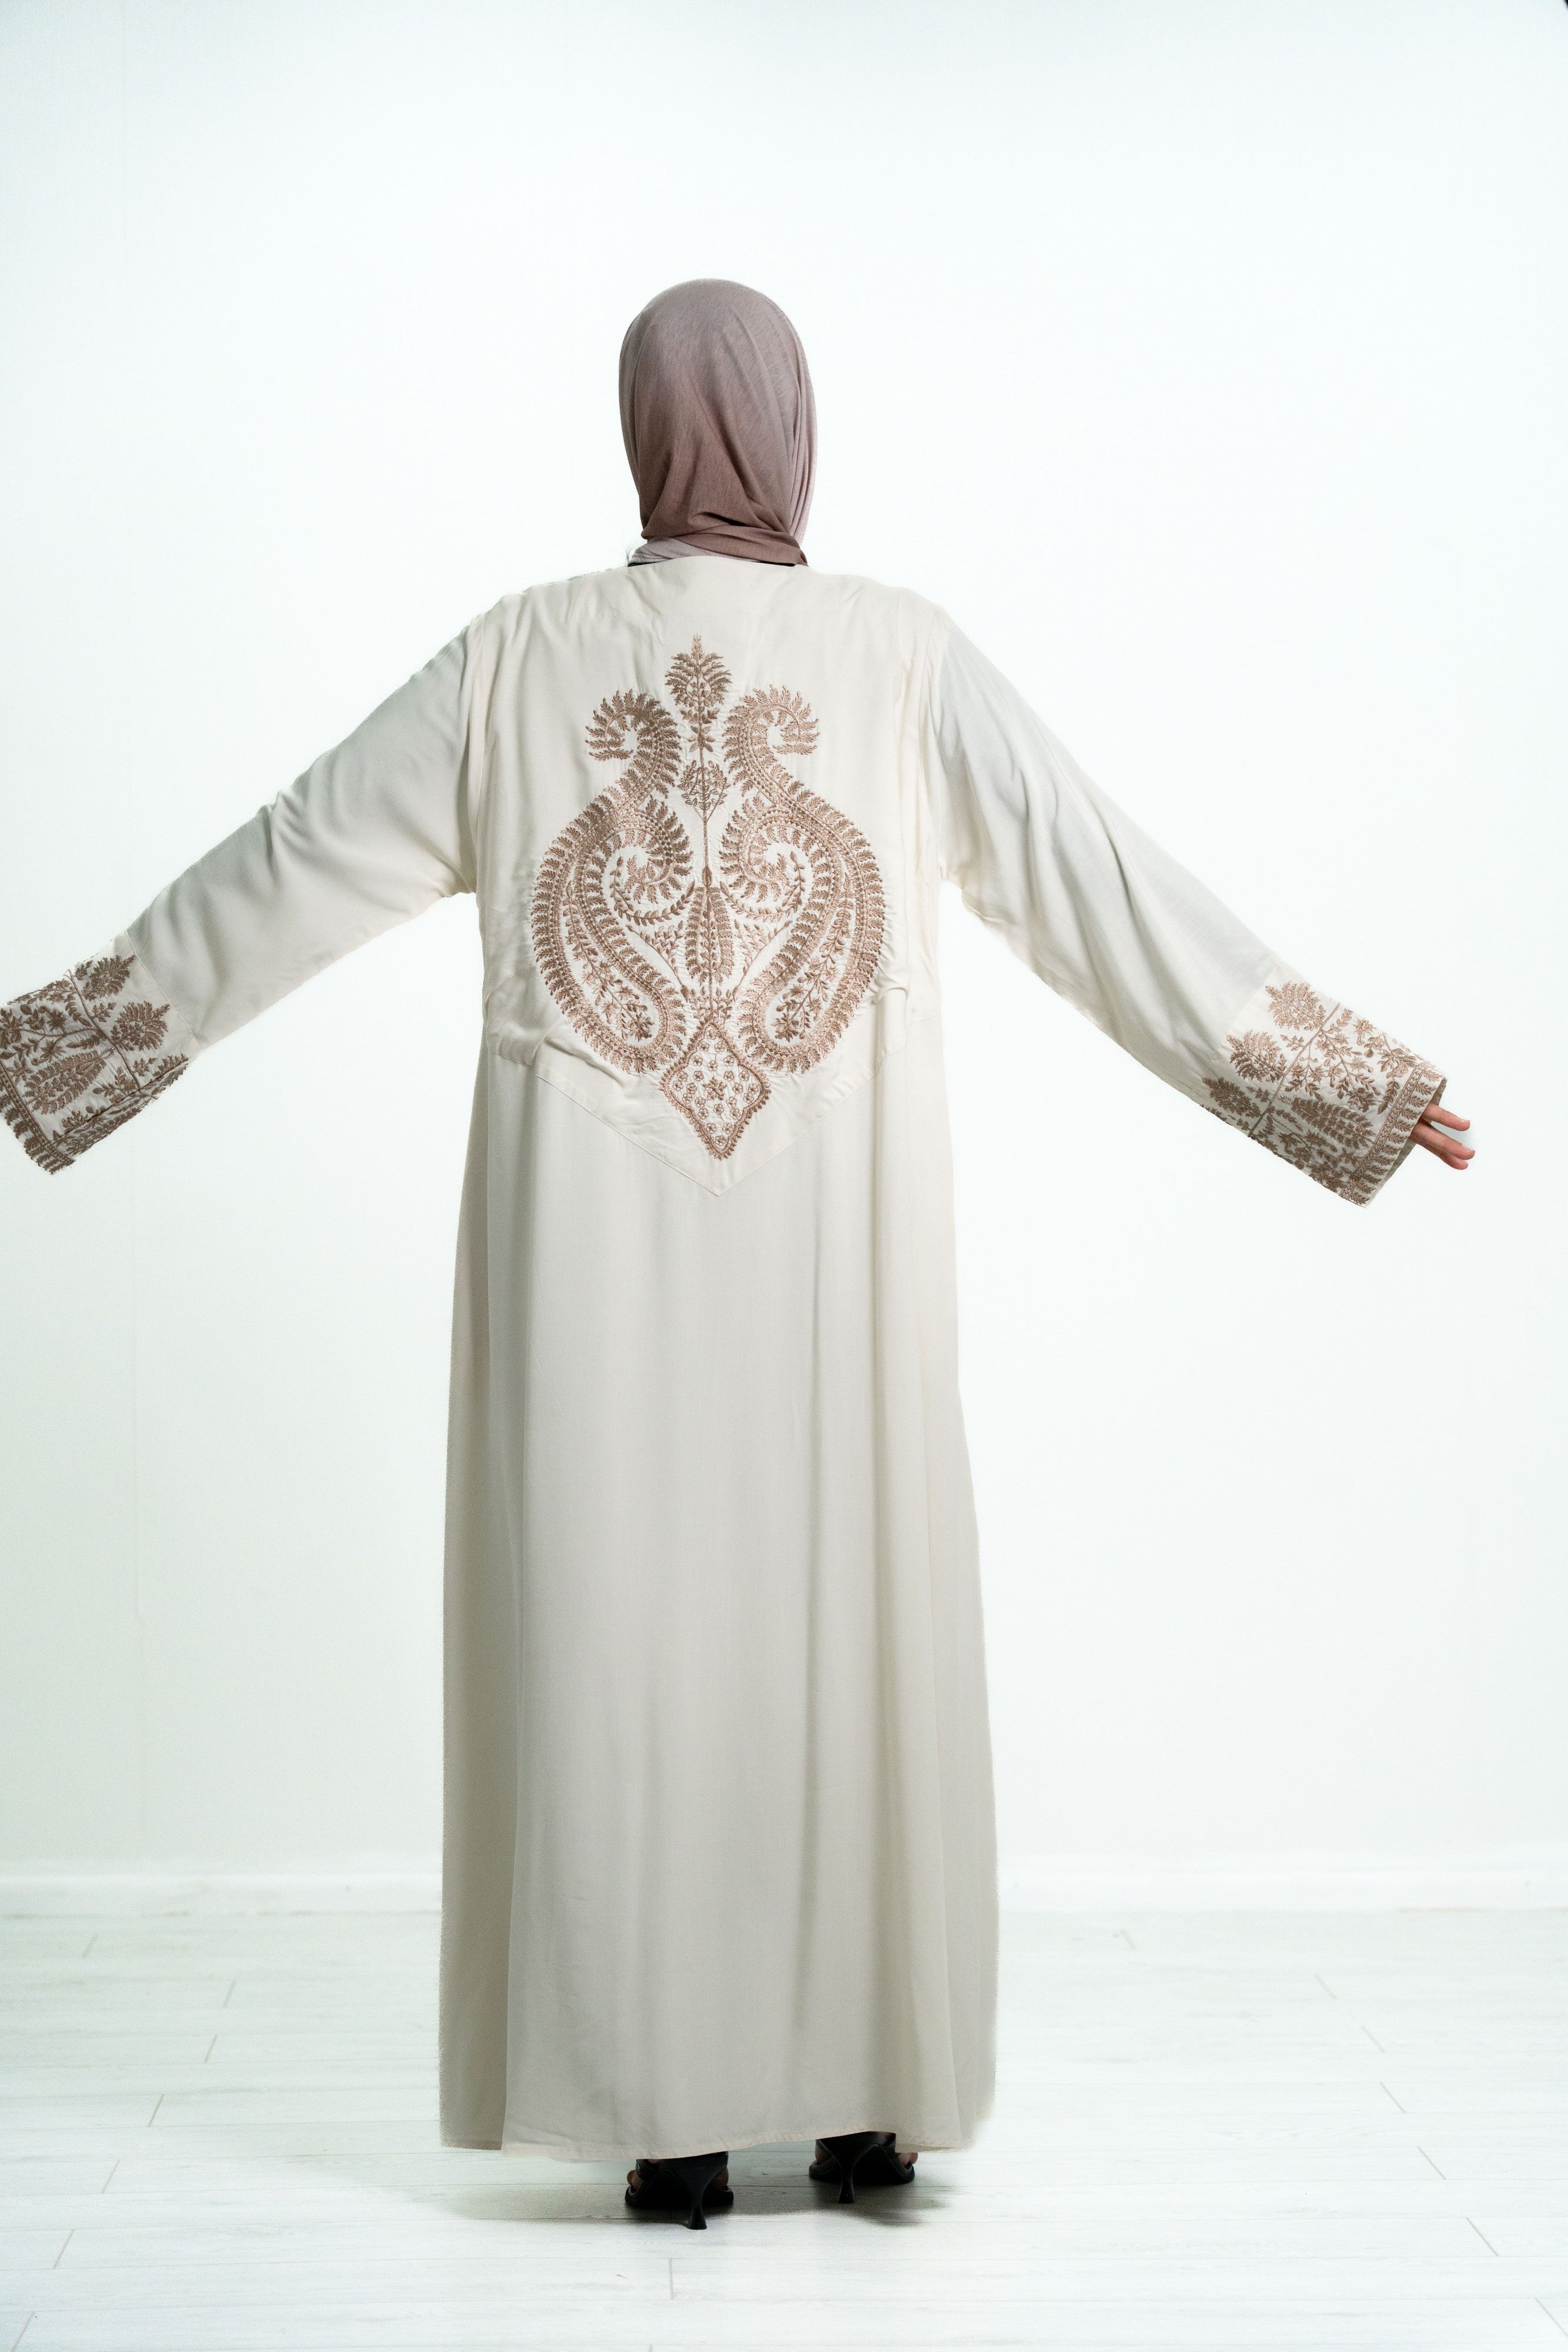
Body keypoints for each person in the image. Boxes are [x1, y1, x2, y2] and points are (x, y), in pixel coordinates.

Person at [0, 277, 1472, 2231]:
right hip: (832, 1268)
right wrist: (1348, 1085)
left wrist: (54, 1051)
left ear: (643, 429)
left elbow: (285, 861)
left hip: (590, 1273)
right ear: (791, 430)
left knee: (625, 1652)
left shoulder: (520, 658)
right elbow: (1098, 880)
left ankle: (666, 2123)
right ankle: (866, 2114)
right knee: (843, 1641)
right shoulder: (895, 657)